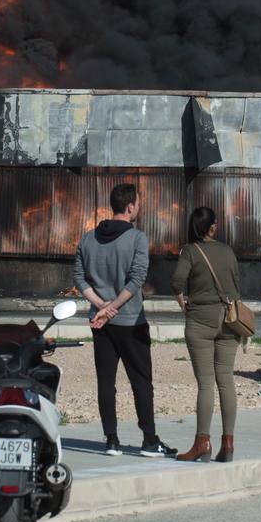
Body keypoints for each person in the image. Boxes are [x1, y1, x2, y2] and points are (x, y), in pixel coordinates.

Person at [73, 183, 176, 458]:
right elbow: (137, 279)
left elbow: (79, 277)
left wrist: (101, 307)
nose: (138, 208)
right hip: (131, 322)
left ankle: (111, 440)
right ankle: (149, 441)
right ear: (130, 207)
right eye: (138, 204)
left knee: (106, 382)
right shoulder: (137, 238)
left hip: (100, 324)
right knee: (141, 382)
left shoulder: (87, 239)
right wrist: (114, 308)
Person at [171, 206, 243, 463]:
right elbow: (236, 283)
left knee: (206, 383)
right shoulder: (227, 251)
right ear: (213, 227)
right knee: (226, 380)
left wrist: (183, 303)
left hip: (200, 320)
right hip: (229, 320)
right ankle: (229, 443)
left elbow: (177, 282)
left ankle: (202, 442)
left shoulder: (190, 251)